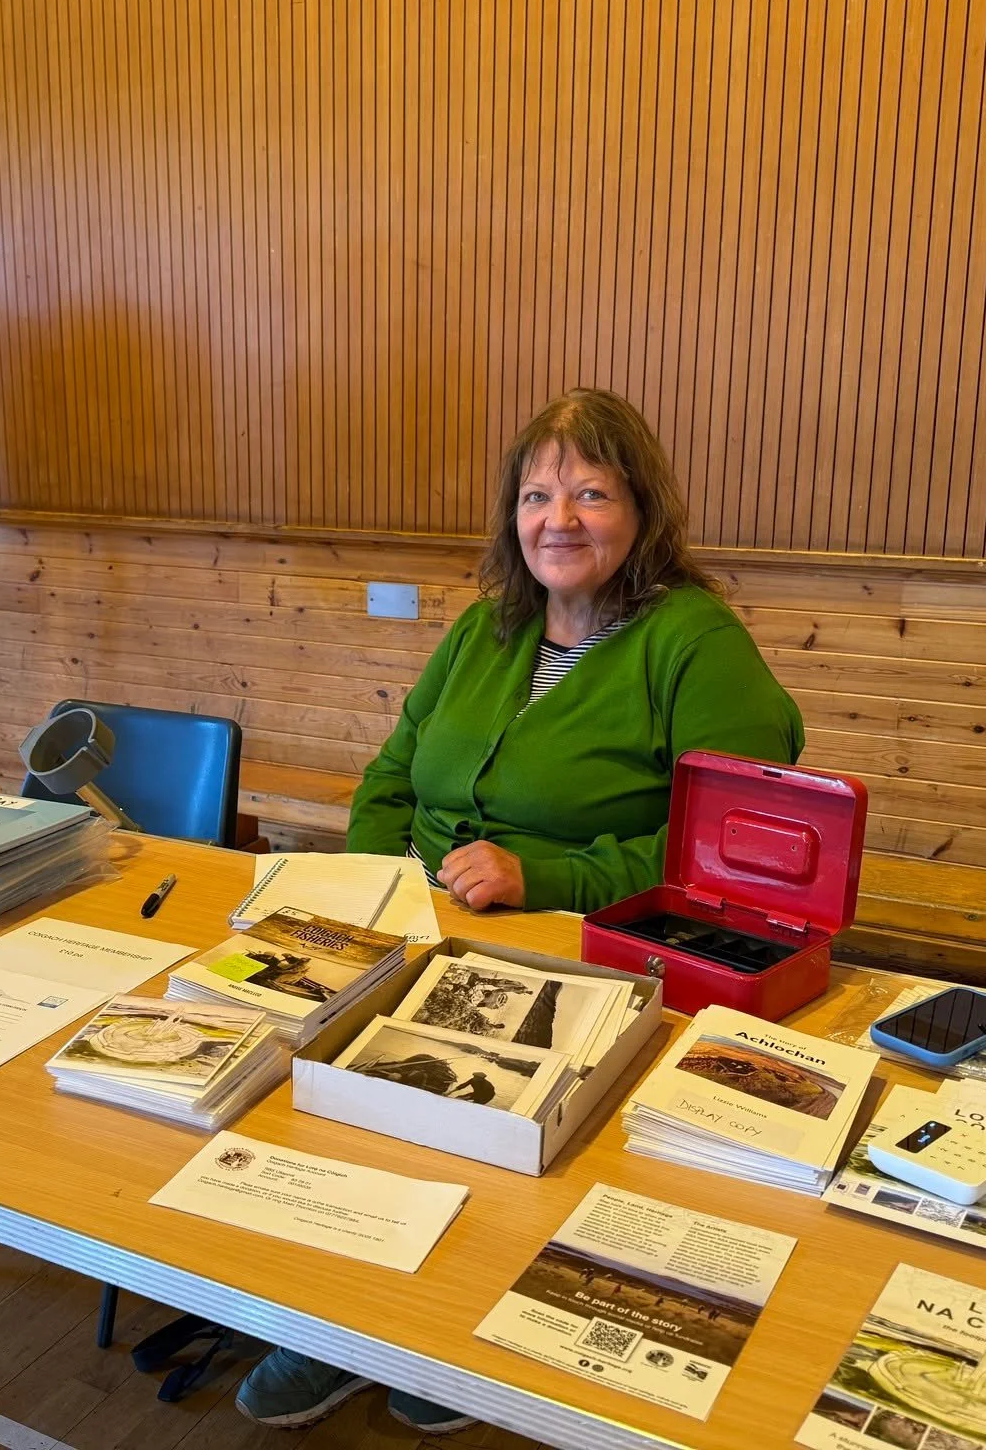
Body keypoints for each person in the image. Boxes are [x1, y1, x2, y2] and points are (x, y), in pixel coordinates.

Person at [234, 387, 803, 1435]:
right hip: (415, 924)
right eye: (537, 494)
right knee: (309, 1077)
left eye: (590, 492)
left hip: (584, 952)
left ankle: (440, 1328)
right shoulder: (482, 631)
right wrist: (371, 899)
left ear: (640, 509)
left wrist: (545, 879)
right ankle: (338, 1316)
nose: (559, 518)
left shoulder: (690, 639)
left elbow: (737, 850)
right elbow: (391, 777)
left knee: (467, 1103)